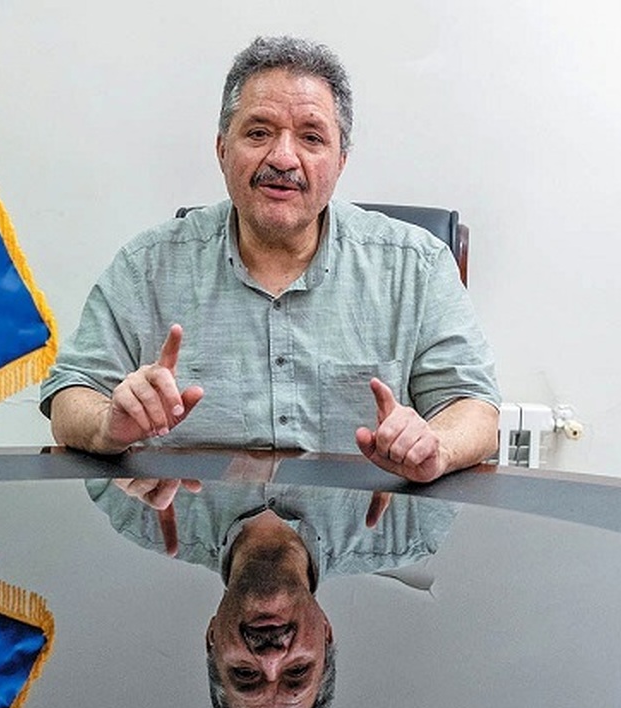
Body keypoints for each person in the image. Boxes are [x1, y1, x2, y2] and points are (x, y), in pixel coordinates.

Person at [40, 35, 500, 483]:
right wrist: (108, 424)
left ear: (341, 161)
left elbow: (473, 406)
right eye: (259, 133)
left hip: (364, 527)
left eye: (311, 137)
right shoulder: (147, 267)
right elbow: (70, 394)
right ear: (222, 149)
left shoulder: (416, 266)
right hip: (186, 523)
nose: (283, 158)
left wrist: (436, 445)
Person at [84, 476, 457, 708]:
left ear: (212, 638)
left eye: (245, 674)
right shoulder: (411, 525)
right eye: (297, 672)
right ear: (326, 632)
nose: (271, 657)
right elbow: (469, 416)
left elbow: (81, 408)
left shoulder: (136, 510)